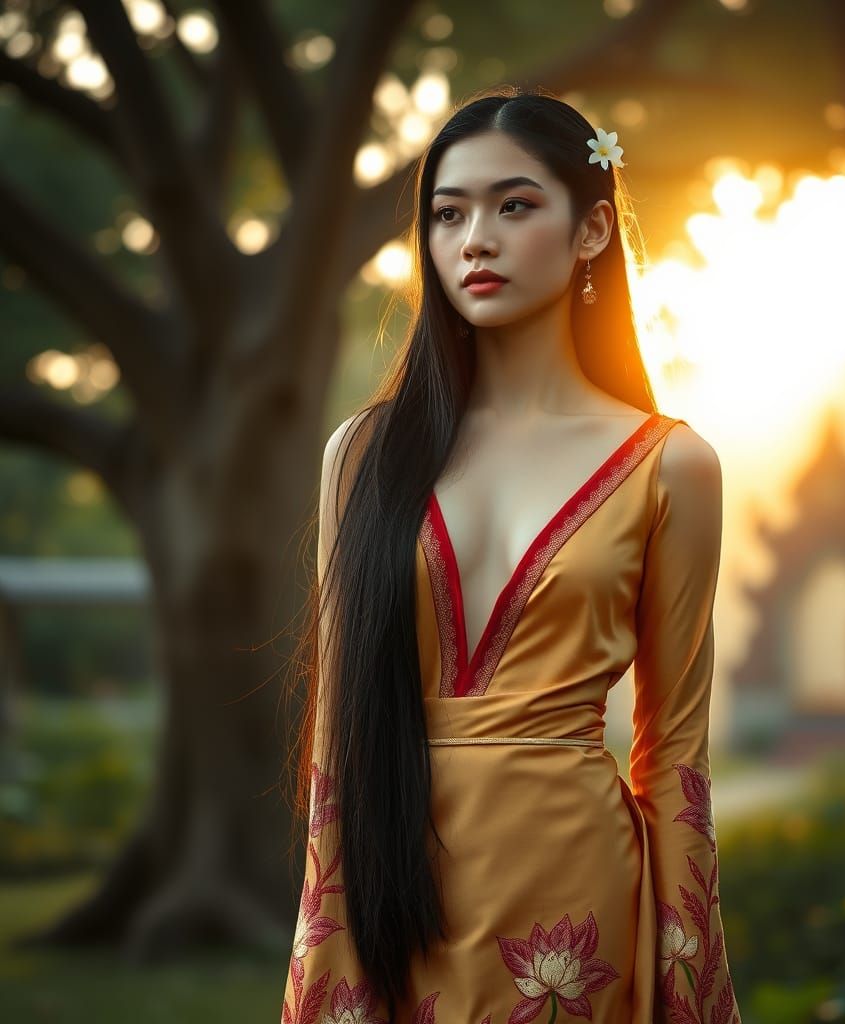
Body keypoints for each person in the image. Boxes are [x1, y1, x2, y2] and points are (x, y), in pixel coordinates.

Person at [281, 86, 741, 1024]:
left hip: (577, 904)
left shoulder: (672, 468)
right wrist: (327, 946)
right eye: (448, 214)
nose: (474, 239)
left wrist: (685, 983)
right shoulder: (364, 456)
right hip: (392, 885)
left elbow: (674, 756)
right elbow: (339, 736)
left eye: (513, 205)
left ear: (593, 231)